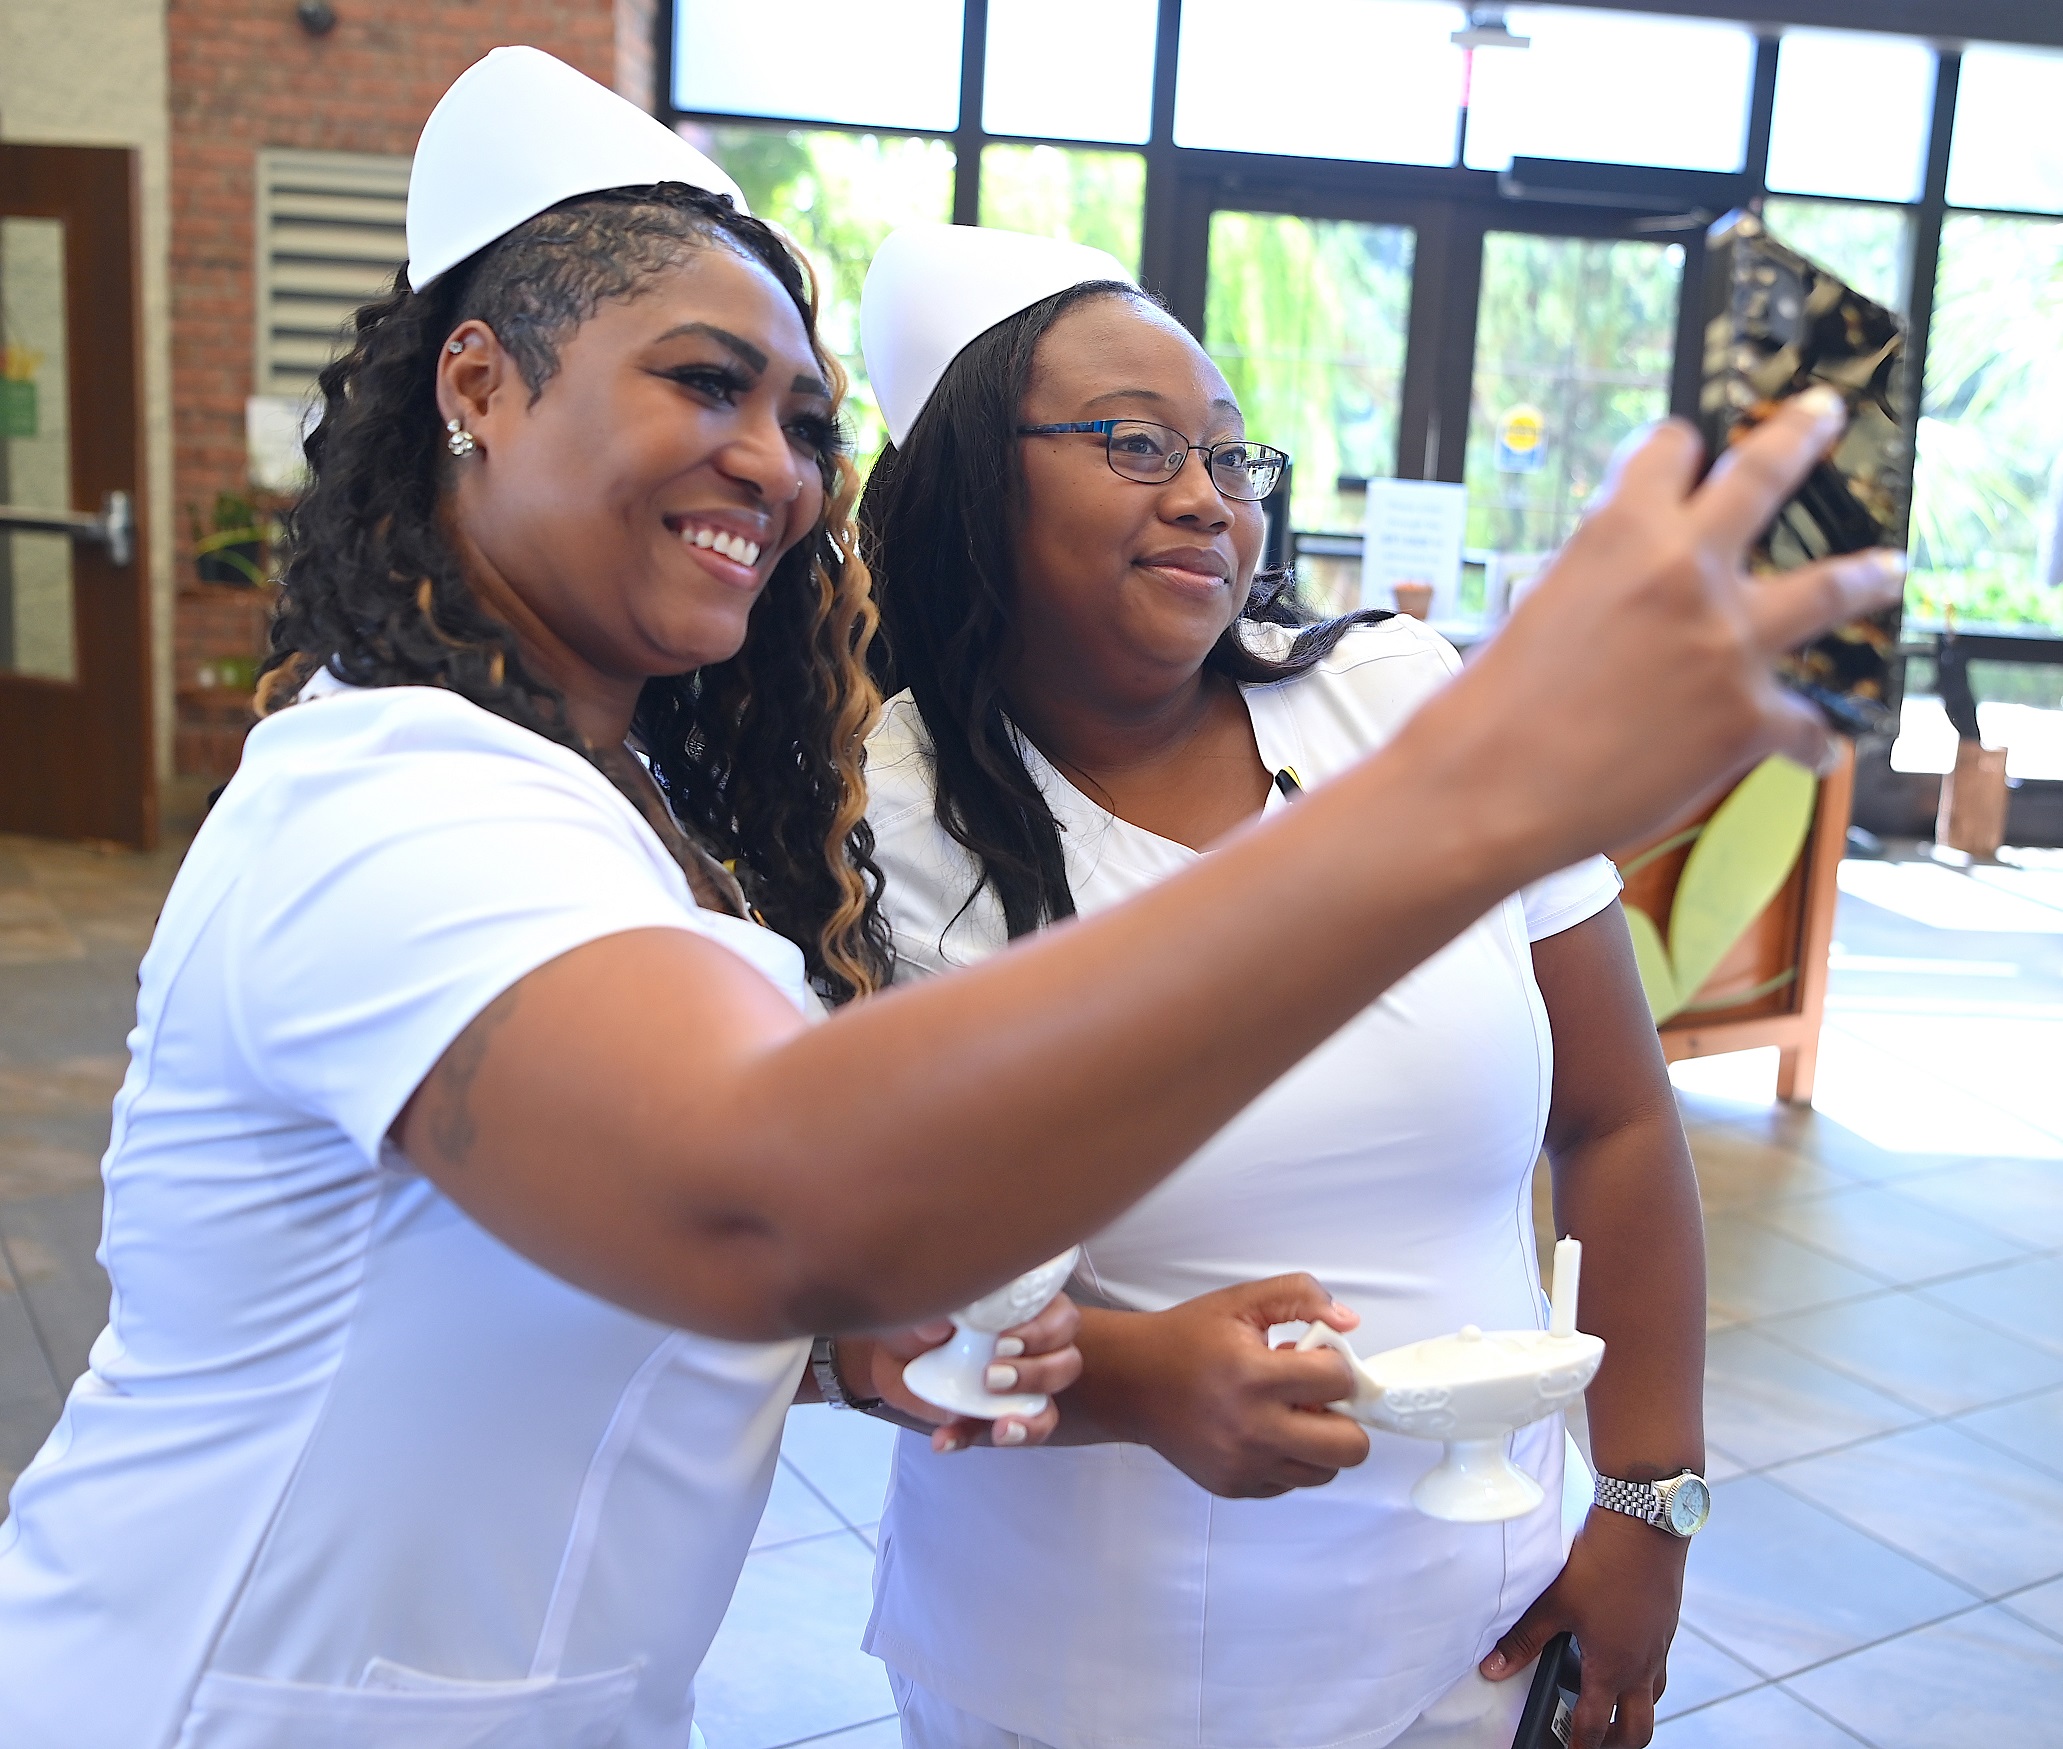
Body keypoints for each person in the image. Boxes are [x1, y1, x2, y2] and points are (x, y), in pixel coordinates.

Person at [0, 44, 1899, 1749]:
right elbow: (768, 1195)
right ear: (478, 383)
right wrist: (1478, 803)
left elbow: (771, 1257)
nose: (771, 456)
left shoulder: (631, 808)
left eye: (808, 419)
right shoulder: (396, 804)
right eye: (704, 380)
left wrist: (906, 1340)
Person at [853, 223, 1715, 1749]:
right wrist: (1142, 1374)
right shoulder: (888, 812)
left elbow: (1620, 1116)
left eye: (1231, 455)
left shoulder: (1399, 698)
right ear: (975, 484)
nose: (1206, 495)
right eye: (1135, 444)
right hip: (1089, 1676)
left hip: (1480, 1631)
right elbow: (870, 1299)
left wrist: (1647, 1499)